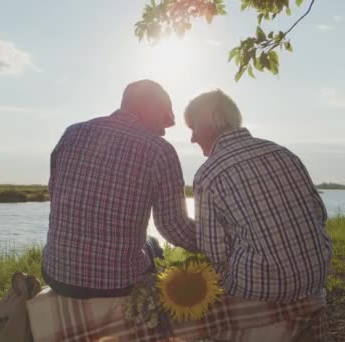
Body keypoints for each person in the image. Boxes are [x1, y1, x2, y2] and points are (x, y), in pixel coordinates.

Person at [185, 89, 332, 338]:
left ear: (209, 120)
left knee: (199, 318)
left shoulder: (208, 174)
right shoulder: (282, 152)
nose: (192, 138)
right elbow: (319, 214)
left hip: (261, 287)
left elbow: (215, 254)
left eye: (192, 127)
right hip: (316, 274)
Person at [41, 80, 196, 299]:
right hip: (117, 284)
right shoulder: (160, 150)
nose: (163, 131)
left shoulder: (72, 133)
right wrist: (214, 243)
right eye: (164, 120)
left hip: (56, 276)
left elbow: (55, 193)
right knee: (154, 247)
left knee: (148, 243)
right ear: (149, 108)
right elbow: (173, 226)